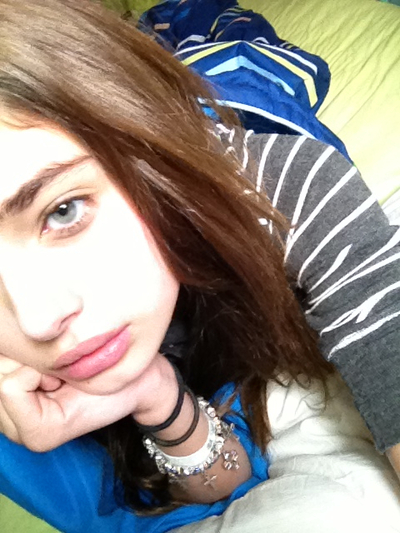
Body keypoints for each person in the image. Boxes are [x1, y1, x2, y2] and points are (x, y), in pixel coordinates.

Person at [0, 0, 399, 531]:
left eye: (64, 210)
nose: (38, 320)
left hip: (216, 99)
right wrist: (154, 395)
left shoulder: (287, 191)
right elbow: (224, 482)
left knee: (229, 50)